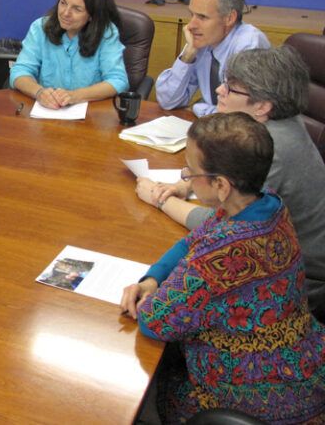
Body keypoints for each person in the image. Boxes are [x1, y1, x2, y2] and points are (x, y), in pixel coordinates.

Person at [121, 112, 325, 423]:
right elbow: (191, 242)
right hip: (305, 366)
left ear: (221, 185)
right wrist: (153, 277)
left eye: (191, 171)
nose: (186, 175)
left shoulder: (219, 257)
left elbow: (154, 321)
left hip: (256, 397)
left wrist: (149, 295)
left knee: (142, 390)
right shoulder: (267, 205)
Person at [138, 47, 325, 320]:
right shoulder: (277, 127)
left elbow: (219, 223)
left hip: (302, 280)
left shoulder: (274, 149)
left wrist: (160, 198)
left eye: (232, 89)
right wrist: (188, 184)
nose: (219, 91)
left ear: (262, 106)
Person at [155, 0, 270, 117]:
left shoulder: (249, 44)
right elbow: (167, 101)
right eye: (192, 15)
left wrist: (198, 107)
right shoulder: (202, 42)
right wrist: (188, 55)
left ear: (229, 18)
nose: (191, 25)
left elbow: (238, 115)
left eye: (202, 17)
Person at [9, 0, 129, 110]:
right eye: (63, 3)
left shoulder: (106, 34)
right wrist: (39, 92)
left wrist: (74, 96)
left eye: (77, 9)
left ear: (91, 15)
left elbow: (118, 81)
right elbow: (19, 71)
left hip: (92, 115)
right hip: (48, 112)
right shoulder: (40, 28)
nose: (65, 13)